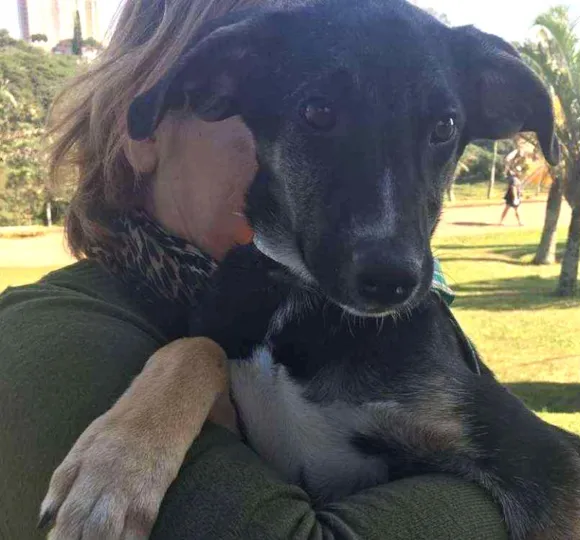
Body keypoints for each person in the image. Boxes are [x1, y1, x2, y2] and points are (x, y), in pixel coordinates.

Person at [0, 1, 507, 538]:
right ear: (145, 128)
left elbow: (550, 474)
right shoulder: (47, 335)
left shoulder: (335, 314)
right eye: (318, 116)